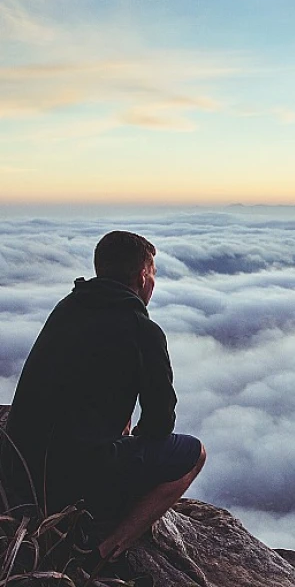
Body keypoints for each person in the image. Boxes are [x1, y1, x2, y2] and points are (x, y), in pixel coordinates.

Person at [0, 230, 205, 563]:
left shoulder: (67, 307)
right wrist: (131, 443)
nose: (153, 283)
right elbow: (159, 424)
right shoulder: (143, 331)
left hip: (21, 472)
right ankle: (104, 551)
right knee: (195, 454)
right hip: (74, 482)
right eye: (152, 274)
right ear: (142, 276)